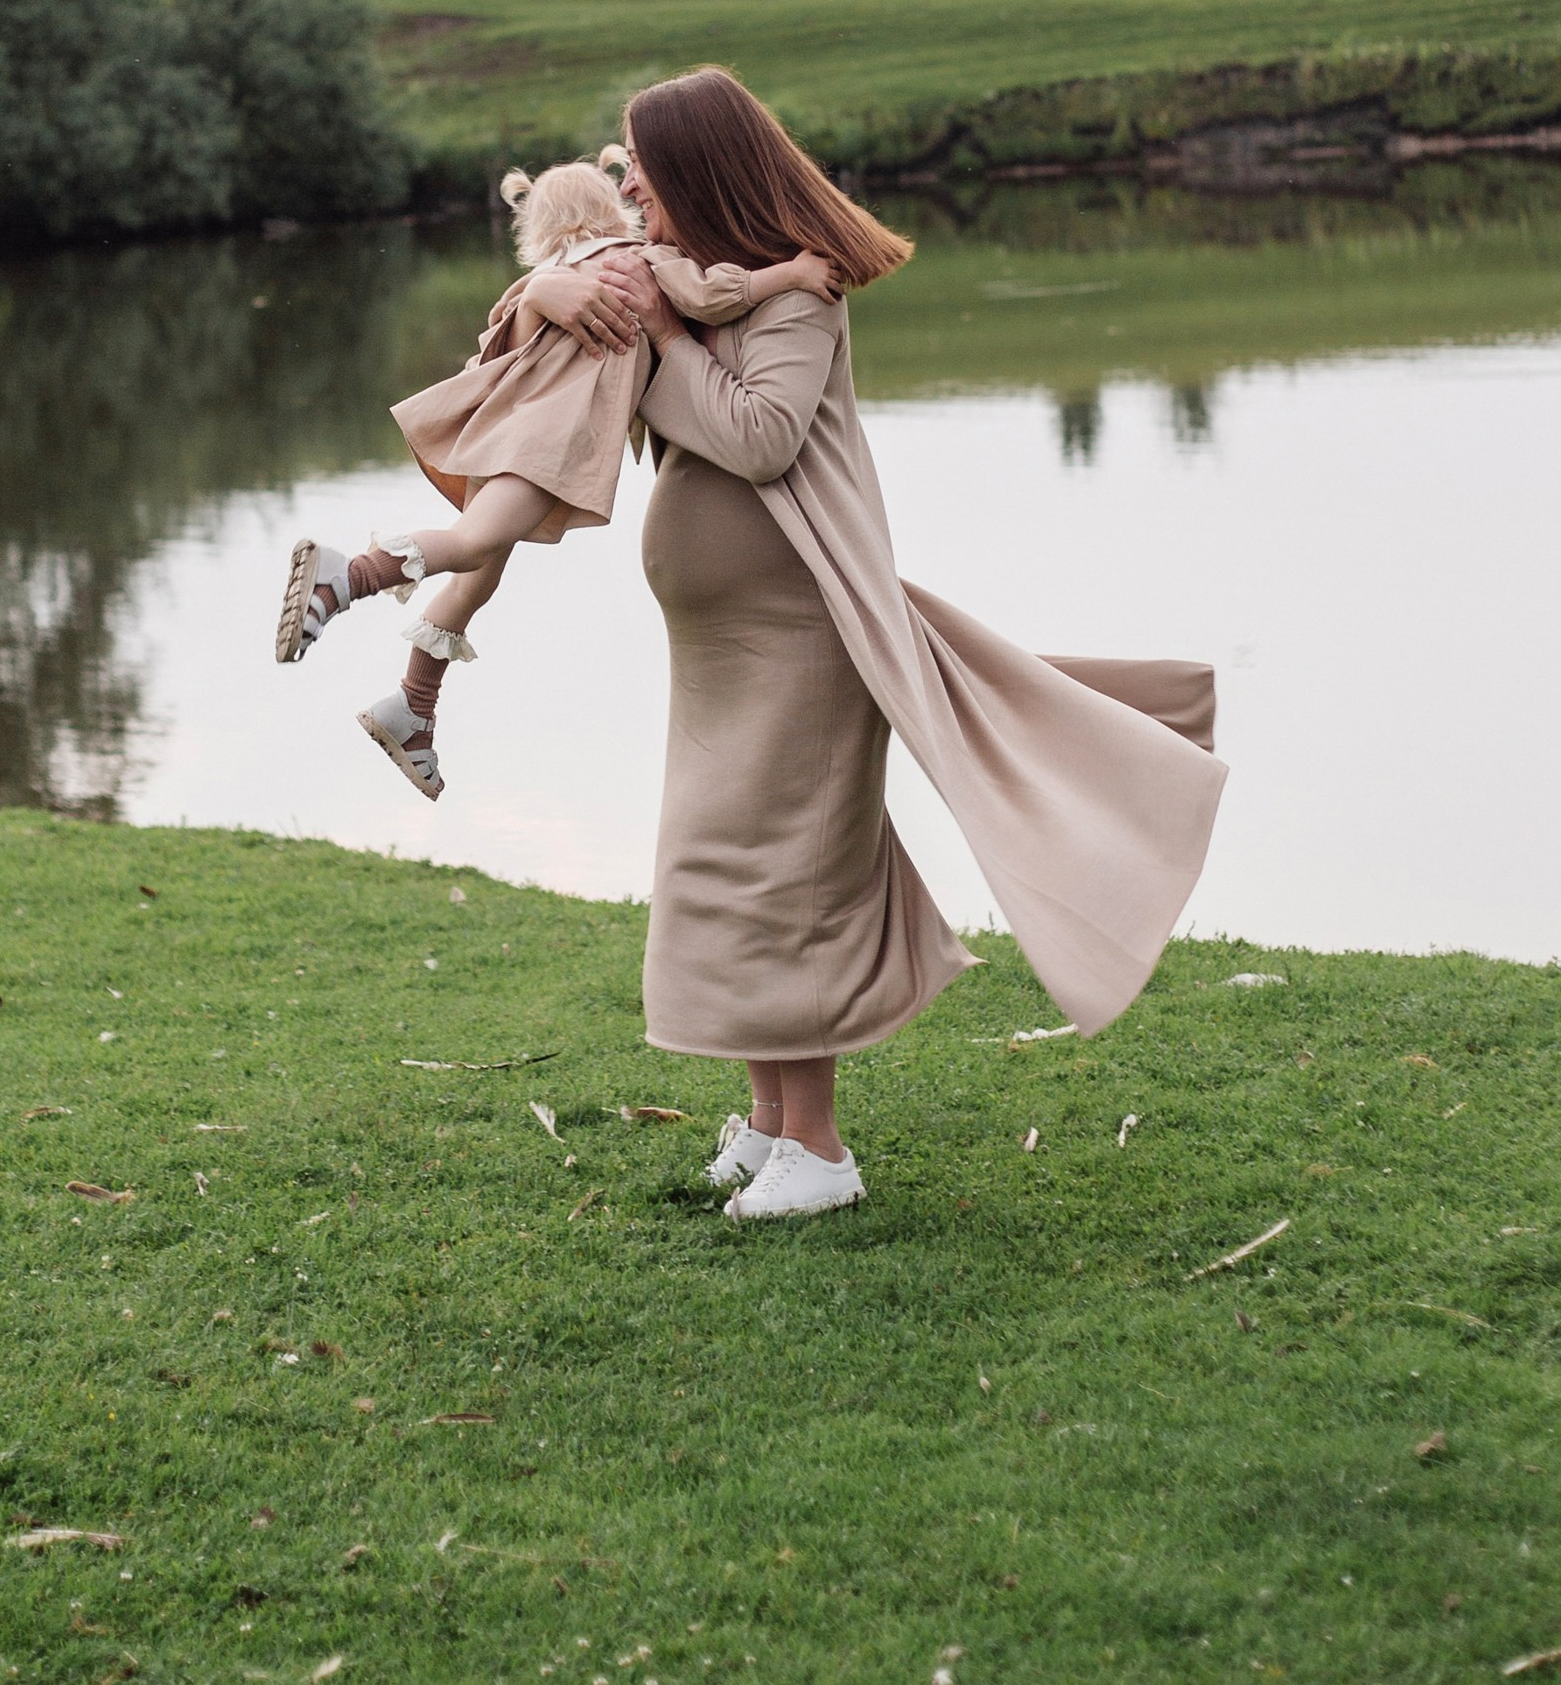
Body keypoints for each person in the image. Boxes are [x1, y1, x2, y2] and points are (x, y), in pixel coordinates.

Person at [509, 67, 1227, 1224]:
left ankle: (822, 1148)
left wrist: (662, 334)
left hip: (802, 630)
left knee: (786, 868)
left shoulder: (799, 296)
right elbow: (528, 307)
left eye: (642, 162)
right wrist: (556, 300)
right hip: (725, 646)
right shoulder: (687, 290)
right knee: (722, 860)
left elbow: (759, 436)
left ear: (700, 170)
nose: (626, 182)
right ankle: (765, 1122)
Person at [274, 146, 838, 797]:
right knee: (470, 545)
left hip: (500, 434)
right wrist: (790, 275)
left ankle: (412, 708)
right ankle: (345, 577)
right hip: (541, 448)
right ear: (613, 211)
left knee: (473, 584)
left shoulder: (536, 283)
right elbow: (712, 297)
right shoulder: (640, 264)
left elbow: (494, 340)